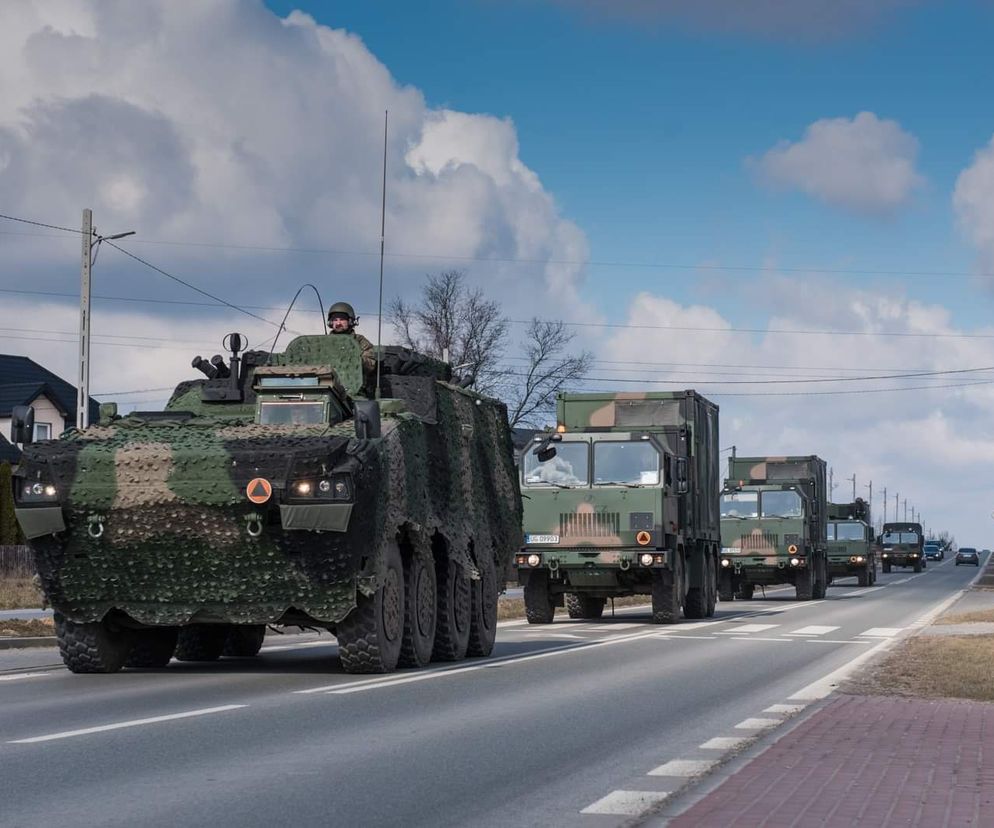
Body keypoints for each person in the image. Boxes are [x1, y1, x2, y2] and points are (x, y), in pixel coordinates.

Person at [327, 301, 376, 375]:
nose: (338, 323)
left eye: (342, 319)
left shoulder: (359, 341)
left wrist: (354, 358)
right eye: (335, 320)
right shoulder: (325, 342)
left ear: (350, 321)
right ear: (331, 323)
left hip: (352, 381)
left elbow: (370, 364)